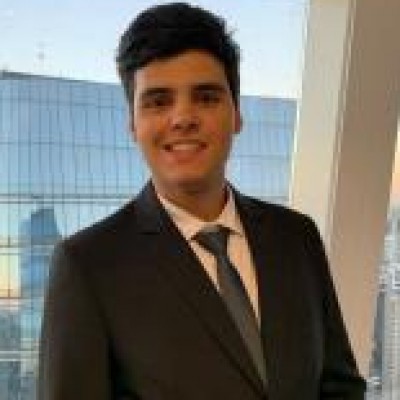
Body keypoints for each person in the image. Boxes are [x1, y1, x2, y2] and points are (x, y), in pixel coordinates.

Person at [38, 2, 366, 399]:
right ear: (132, 124)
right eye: (158, 101)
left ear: (237, 114)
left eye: (206, 97)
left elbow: (340, 386)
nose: (183, 118)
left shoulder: (297, 237)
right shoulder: (88, 265)